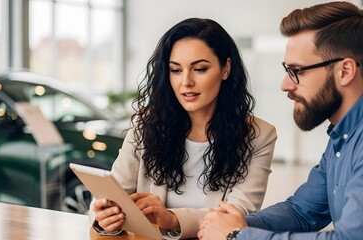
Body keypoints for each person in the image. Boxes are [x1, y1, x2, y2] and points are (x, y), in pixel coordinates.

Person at [198, 2, 363, 240]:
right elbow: (301, 212)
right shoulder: (344, 135)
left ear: (345, 71)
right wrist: (235, 223)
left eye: (297, 70)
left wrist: (239, 235)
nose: (285, 84)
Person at [89, 17, 277, 239]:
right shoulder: (146, 124)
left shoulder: (259, 136)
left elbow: (236, 215)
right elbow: (113, 193)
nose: (186, 82)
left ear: (225, 68)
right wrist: (105, 219)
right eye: (176, 70)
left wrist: (172, 219)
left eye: (199, 69)